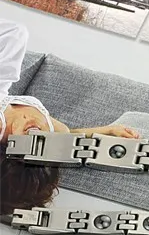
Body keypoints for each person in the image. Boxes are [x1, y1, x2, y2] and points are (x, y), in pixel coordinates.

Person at [0, 18, 139, 216]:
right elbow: (70, 135)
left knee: (16, 33)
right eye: (40, 144)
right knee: (17, 33)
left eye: (27, 144)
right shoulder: (53, 133)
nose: (35, 134)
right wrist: (107, 130)